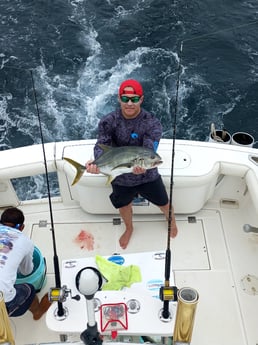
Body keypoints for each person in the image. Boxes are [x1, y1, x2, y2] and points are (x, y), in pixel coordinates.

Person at [86, 79, 178, 249]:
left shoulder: (152, 123)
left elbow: (150, 150)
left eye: (134, 99)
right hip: (119, 176)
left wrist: (143, 168)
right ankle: (129, 228)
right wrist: (97, 162)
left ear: (141, 99)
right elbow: (101, 145)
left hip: (147, 175)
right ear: (119, 98)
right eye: (125, 98)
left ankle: (171, 221)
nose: (129, 103)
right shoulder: (108, 121)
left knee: (164, 202)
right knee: (124, 205)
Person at [0, 207, 51, 320]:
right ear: (22, 227)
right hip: (4, 301)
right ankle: (37, 312)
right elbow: (26, 271)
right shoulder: (24, 241)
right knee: (28, 289)